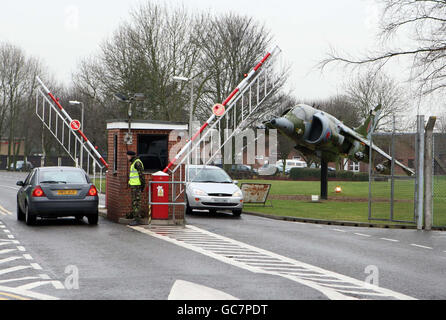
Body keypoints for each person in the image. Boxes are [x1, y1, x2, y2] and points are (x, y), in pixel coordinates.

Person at [126, 150, 146, 226]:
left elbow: (141, 175)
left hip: (137, 186)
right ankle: (135, 217)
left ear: (130, 156)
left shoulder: (137, 163)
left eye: (127, 156)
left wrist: (142, 186)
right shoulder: (134, 162)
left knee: (136, 203)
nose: (127, 157)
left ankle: (137, 220)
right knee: (134, 202)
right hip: (134, 186)